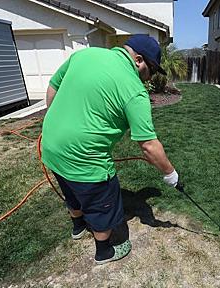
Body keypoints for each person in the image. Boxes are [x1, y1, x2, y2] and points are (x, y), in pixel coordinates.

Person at [40, 34, 179, 265]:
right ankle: (104, 251)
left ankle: (77, 227)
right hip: (85, 158)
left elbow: (53, 86)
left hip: (52, 146)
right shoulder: (135, 92)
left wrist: (52, 122)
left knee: (71, 190)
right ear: (138, 60)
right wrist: (171, 175)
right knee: (104, 200)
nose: (150, 77)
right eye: (152, 70)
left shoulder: (85, 54)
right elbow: (148, 145)